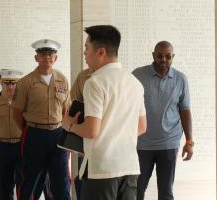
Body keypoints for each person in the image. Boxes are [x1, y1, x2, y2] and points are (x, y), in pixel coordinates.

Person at [63, 25, 147, 200]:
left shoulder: (95, 83)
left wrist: (69, 125)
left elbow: (91, 130)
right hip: (130, 167)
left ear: (100, 52)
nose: (85, 54)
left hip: (102, 170)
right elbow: (141, 127)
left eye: (87, 48)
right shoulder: (135, 82)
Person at [132, 41, 193, 200]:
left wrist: (189, 141)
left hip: (169, 143)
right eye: (159, 56)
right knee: (136, 189)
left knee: (166, 192)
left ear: (172, 57)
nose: (163, 59)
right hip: (142, 143)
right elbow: (128, 107)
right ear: (153, 55)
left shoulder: (181, 79)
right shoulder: (137, 75)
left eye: (168, 56)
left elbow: (185, 110)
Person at [13, 39, 71, 200]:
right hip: (34, 134)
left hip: (58, 135)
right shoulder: (26, 82)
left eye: (50, 54)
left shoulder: (62, 80)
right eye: (43, 54)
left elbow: (66, 109)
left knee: (61, 181)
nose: (47, 57)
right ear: (36, 57)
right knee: (30, 180)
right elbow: (17, 112)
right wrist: (28, 130)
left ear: (55, 58)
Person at [0, 69, 23, 200]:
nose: (10, 86)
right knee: (4, 185)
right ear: (0, 82)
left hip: (21, 147)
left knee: (23, 184)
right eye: (6, 83)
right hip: (2, 148)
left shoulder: (24, 102)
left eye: (13, 83)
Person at [69, 68, 93, 200]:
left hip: (107, 143)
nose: (85, 53)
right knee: (83, 179)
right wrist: (77, 143)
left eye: (88, 49)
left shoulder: (116, 76)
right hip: (85, 140)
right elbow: (75, 108)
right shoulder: (83, 76)